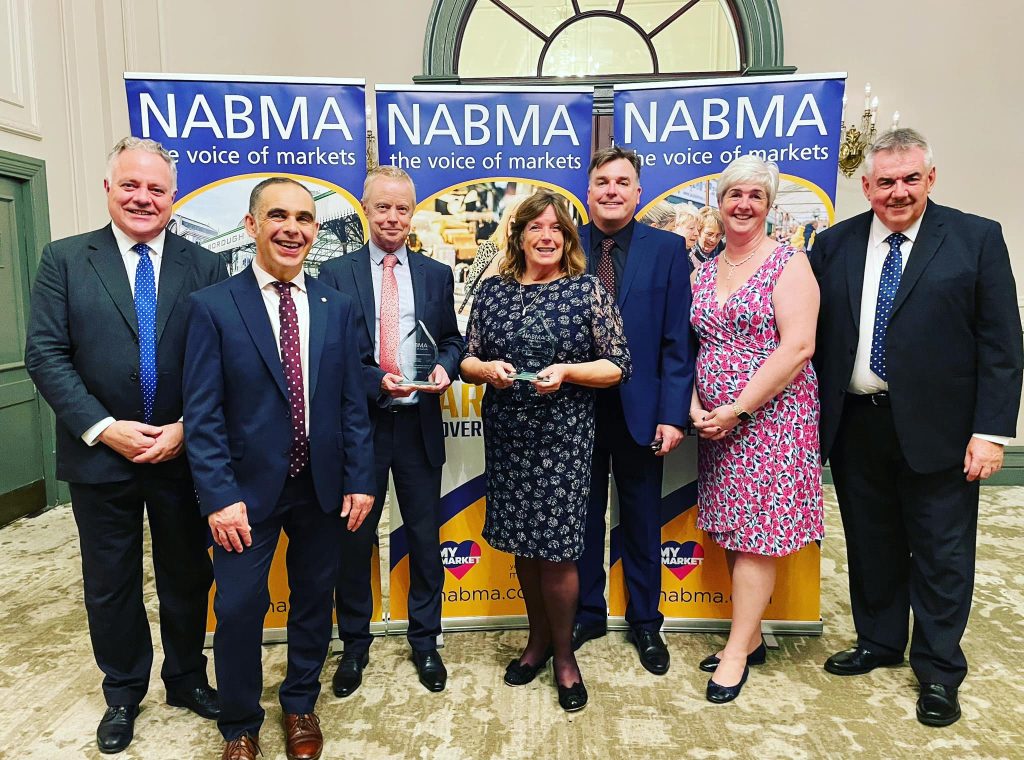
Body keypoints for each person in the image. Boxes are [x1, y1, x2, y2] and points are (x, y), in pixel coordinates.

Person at [812, 128, 1023, 727]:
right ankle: (879, 641)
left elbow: (1002, 343)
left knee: (941, 552)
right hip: (856, 424)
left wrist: (991, 432)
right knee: (871, 543)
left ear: (931, 178)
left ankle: (938, 669)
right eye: (885, 182)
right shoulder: (834, 244)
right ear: (866, 185)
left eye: (910, 179)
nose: (898, 192)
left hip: (944, 431)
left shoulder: (976, 238)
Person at [24, 136, 224, 754]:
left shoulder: (205, 265)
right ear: (108, 189)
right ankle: (122, 691)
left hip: (179, 452)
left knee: (187, 576)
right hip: (98, 453)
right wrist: (104, 427)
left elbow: (220, 358)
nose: (143, 197)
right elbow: (46, 355)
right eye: (130, 186)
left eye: (157, 189)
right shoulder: (64, 259)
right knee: (109, 581)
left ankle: (187, 678)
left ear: (173, 197)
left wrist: (188, 426)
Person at [183, 177, 375, 760]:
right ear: (251, 226)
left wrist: (362, 479)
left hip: (322, 486)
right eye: (278, 217)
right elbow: (203, 410)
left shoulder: (336, 307)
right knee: (240, 608)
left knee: (316, 598)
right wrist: (218, 495)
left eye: (304, 219)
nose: (293, 229)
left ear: (315, 230)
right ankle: (239, 723)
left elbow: (351, 404)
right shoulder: (213, 306)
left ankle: (299, 704)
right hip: (244, 492)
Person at [460, 190, 631, 711]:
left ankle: (564, 657)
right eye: (536, 228)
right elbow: (468, 357)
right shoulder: (492, 293)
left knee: (557, 550)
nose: (547, 237)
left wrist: (569, 372)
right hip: (509, 437)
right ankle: (535, 642)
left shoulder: (586, 291)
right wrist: (487, 370)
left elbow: (618, 364)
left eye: (557, 229)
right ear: (518, 236)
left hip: (564, 438)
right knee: (522, 546)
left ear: (569, 239)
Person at [319, 165, 463, 696]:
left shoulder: (434, 274)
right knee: (354, 542)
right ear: (366, 208)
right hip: (360, 428)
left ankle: (426, 641)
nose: (393, 217)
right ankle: (354, 645)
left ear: (412, 211)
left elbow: (450, 338)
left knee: (425, 541)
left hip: (420, 426)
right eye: (383, 207)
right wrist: (378, 380)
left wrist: (447, 364)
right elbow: (331, 357)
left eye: (402, 208)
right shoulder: (333, 274)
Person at [689, 155, 823, 703]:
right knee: (731, 527)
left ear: (770, 206)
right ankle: (753, 635)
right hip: (717, 423)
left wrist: (738, 408)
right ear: (717, 204)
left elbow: (798, 346)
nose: (743, 205)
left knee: (758, 535)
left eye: (755, 196)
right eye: (733, 195)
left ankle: (737, 653)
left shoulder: (790, 264)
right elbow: (698, 343)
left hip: (772, 420)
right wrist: (700, 403)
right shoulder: (706, 267)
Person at [574, 147, 694, 675]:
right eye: (603, 181)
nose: (612, 191)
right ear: (589, 190)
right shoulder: (564, 243)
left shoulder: (667, 250)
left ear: (638, 192)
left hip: (642, 413)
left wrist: (673, 415)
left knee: (643, 521)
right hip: (572, 411)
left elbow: (676, 341)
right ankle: (586, 612)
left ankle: (646, 622)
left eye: (623, 182)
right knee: (578, 521)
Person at [458, 194, 526, 313]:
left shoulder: (533, 254)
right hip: (489, 316)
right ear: (507, 221)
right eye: (514, 223)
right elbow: (471, 287)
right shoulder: (490, 248)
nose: (518, 230)